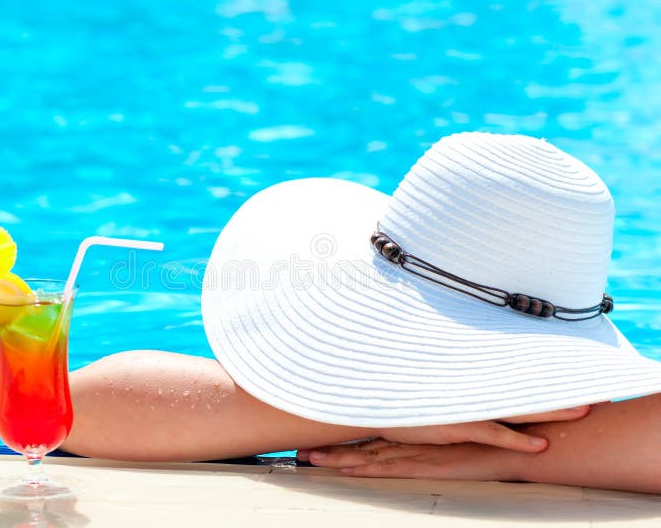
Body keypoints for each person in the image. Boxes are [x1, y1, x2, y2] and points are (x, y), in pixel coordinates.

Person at [61, 132, 661, 494]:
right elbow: (67, 412)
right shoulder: (571, 418)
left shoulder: (554, 409)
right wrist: (387, 412)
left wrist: (499, 461)